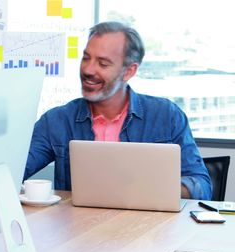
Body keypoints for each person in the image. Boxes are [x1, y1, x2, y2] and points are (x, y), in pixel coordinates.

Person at [23, 21, 212, 200]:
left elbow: (202, 186)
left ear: (129, 71)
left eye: (103, 63)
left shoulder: (166, 116)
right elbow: (14, 169)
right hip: (78, 229)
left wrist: (149, 189)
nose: (88, 69)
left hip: (146, 229)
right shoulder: (57, 120)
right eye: (86, 58)